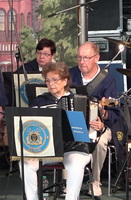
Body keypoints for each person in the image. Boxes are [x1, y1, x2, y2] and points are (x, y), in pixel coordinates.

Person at [21, 62, 103, 200]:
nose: (51, 84)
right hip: (46, 148)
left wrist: (99, 126)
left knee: (76, 165)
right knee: (25, 163)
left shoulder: (82, 101)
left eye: (55, 80)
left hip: (74, 148)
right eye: (48, 80)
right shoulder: (39, 102)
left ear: (65, 81)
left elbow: (94, 130)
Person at [70, 41, 120, 199]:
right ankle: (68, 182)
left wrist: (104, 116)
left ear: (96, 57)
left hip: (99, 124)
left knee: (100, 140)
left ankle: (95, 181)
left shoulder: (107, 81)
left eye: (86, 58)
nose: (81, 62)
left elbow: (114, 111)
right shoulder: (70, 75)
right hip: (73, 123)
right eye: (79, 58)